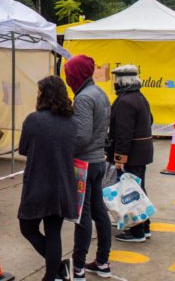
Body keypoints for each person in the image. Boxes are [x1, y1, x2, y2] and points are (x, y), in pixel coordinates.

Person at [18, 76, 77, 281]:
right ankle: (55, 273)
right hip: (62, 184)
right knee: (53, 232)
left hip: (38, 183)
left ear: (45, 94)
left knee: (27, 227)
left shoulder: (33, 120)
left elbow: (23, 149)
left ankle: (56, 271)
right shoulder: (71, 121)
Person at [64, 55, 112, 280]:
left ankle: (79, 267)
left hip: (84, 163)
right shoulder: (100, 93)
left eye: (69, 74)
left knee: (82, 216)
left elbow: (82, 136)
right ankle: (102, 261)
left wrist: (65, 151)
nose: (67, 78)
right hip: (98, 161)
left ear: (77, 74)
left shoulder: (83, 98)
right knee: (99, 212)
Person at [107, 65, 154, 243]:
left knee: (131, 192)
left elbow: (123, 133)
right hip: (142, 152)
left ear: (122, 81)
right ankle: (144, 226)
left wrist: (119, 157)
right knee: (139, 190)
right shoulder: (139, 97)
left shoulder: (125, 101)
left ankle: (137, 231)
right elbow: (151, 119)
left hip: (132, 154)